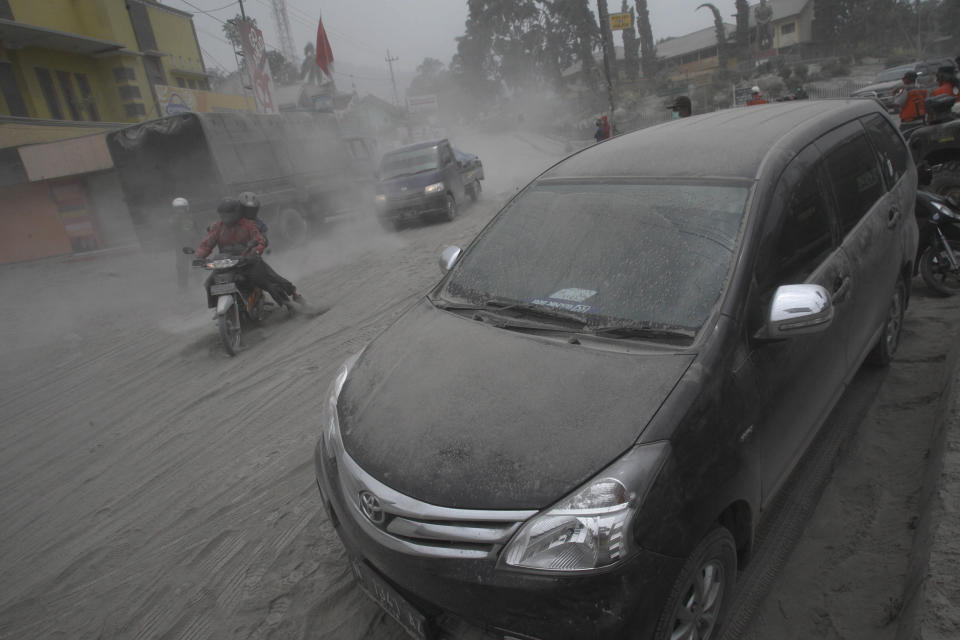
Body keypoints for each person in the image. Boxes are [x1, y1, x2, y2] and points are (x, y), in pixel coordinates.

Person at [195, 197, 305, 310]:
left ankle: (290, 300)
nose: (225, 218)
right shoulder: (218, 227)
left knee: (266, 281)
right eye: (222, 215)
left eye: (228, 215)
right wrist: (199, 256)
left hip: (247, 262)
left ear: (236, 213)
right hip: (227, 263)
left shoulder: (248, 225)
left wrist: (255, 252)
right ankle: (220, 307)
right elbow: (206, 244)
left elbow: (259, 240)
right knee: (209, 283)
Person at [171, 197, 198, 292]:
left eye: (182, 208)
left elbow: (190, 231)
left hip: (192, 245)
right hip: (180, 247)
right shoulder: (173, 220)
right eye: (178, 209)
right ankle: (183, 287)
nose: (180, 211)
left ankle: (199, 283)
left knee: (197, 264)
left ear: (186, 208)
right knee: (181, 267)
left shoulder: (189, 218)